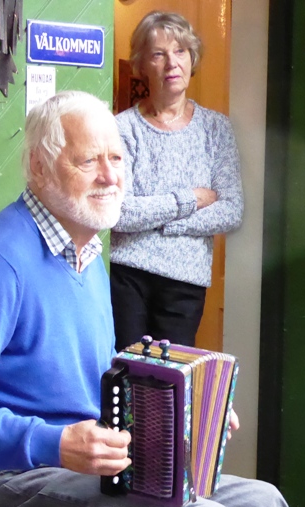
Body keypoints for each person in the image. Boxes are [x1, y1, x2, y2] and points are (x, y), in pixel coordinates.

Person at [0, 90, 305, 507]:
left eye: (117, 158)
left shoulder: (87, 256)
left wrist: (186, 410)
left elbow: (98, 382)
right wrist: (54, 442)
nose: (110, 176)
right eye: (89, 161)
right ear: (39, 167)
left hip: (82, 473)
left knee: (262, 506)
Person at [110, 11, 244, 351]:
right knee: (127, 372)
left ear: (191, 57)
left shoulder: (215, 128)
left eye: (180, 51)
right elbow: (120, 213)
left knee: (171, 378)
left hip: (185, 282)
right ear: (142, 64)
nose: (172, 63)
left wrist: (164, 224)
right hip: (127, 277)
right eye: (159, 54)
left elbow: (231, 210)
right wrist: (191, 199)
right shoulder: (122, 128)